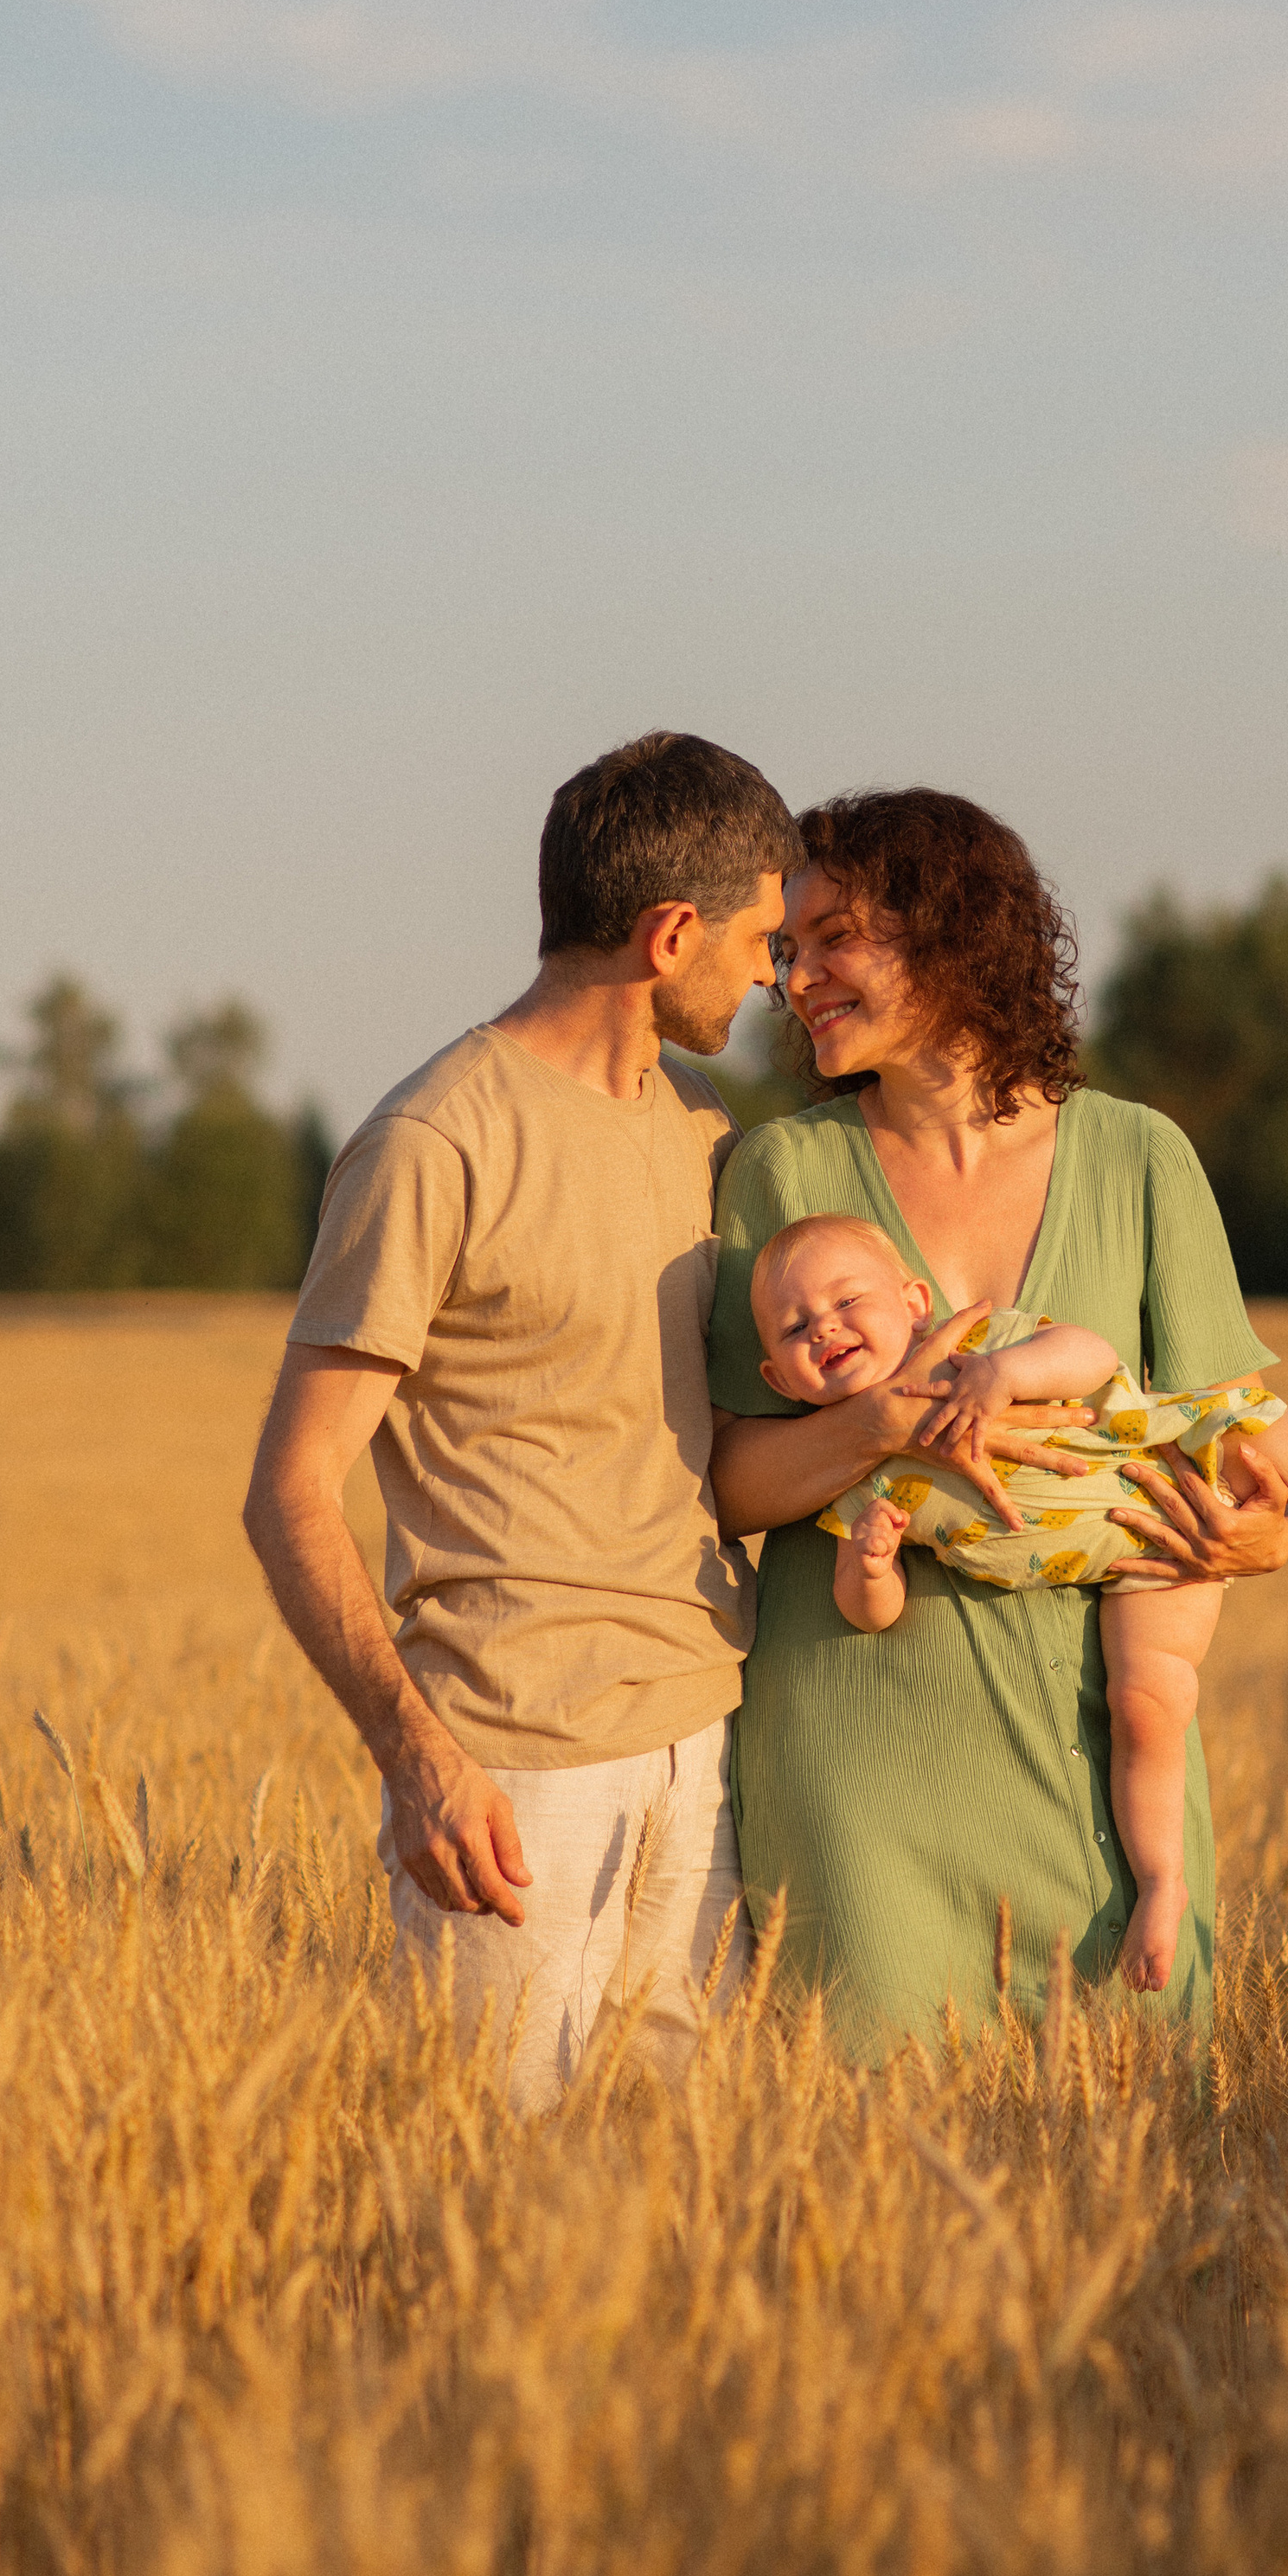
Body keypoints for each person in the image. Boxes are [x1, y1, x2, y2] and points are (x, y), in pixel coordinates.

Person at [241, 730, 803, 2112]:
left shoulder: (698, 1129)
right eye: (760, 942)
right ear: (673, 934)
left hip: (709, 1743)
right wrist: (418, 1756)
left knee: (683, 2221)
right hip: (517, 1779)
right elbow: (291, 1490)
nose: (773, 977)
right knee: (489, 2207)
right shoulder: (437, 1142)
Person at [708, 786, 1288, 2057]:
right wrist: (885, 1420)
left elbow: (1244, 1451)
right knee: (869, 2216)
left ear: (952, 934)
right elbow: (730, 1482)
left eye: (832, 940)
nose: (794, 979)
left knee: (1136, 2193)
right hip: (856, 1762)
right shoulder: (782, 1175)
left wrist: (1269, 1536)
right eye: (784, 951)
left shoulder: (1142, 1161)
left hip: (1104, 1773)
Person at [747, 1212, 1288, 1987]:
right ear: (777, 1379)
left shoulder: (977, 1346)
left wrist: (1005, 1374)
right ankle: (1161, 1885)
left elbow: (1089, 1355)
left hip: (1184, 1447)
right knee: (1146, 1706)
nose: (822, 1325)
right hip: (1139, 1565)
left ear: (913, 1300)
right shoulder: (856, 1479)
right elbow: (873, 1612)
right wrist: (868, 1567)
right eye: (794, 1327)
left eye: (845, 1299)